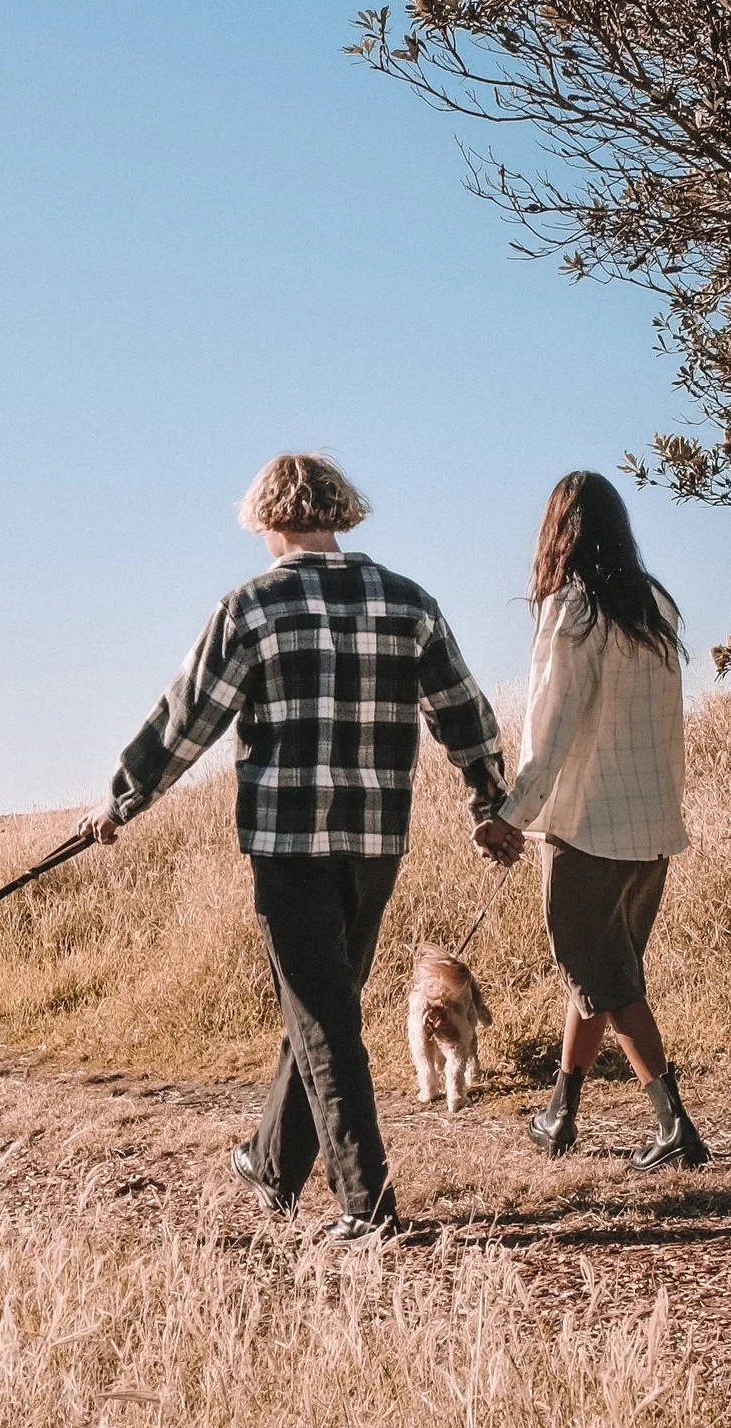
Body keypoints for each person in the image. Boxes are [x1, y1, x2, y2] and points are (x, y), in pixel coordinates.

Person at [82, 453, 503, 1242]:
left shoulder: (252, 607)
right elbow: (465, 713)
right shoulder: (408, 602)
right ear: (339, 512)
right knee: (325, 1009)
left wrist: (120, 800)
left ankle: (367, 1205)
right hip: (377, 843)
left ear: (267, 518)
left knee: (324, 1022)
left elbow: (187, 719)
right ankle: (273, 1164)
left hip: (287, 844)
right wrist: (487, 799)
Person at [475, 470, 706, 1168]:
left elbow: (550, 726)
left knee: (603, 974)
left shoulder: (572, 608)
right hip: (650, 826)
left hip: (587, 828)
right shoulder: (654, 605)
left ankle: (674, 1127)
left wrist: (510, 815)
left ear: (559, 531)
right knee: (601, 971)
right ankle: (559, 1114)